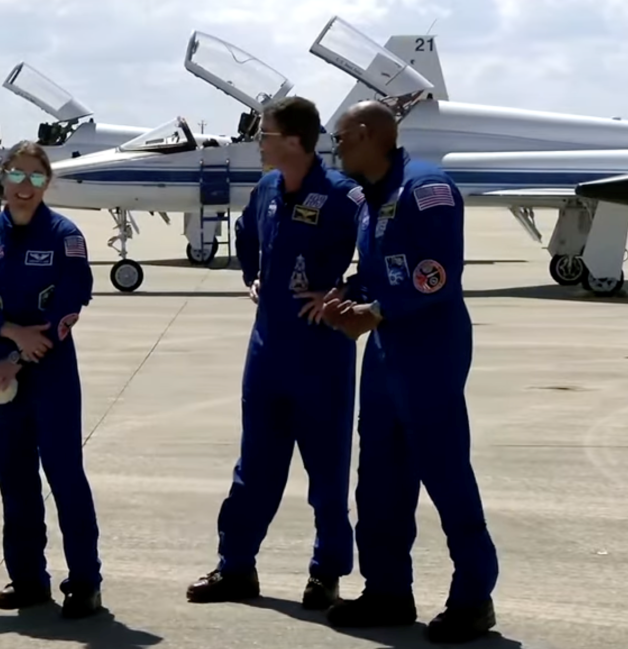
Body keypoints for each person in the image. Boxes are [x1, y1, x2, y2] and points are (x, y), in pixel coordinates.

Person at [301, 100, 499, 644]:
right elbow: (379, 269)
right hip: (387, 349)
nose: (336, 149)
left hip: (429, 348)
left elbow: (437, 273)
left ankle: (473, 598)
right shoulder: (372, 198)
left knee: (444, 470)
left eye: (341, 138)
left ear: (367, 134)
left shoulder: (426, 189)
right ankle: (388, 590)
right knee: (380, 475)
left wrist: (376, 311)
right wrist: (348, 293)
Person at [185, 96, 365, 610]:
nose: (257, 143)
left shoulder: (343, 195)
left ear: (292, 140)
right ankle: (236, 567)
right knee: (254, 468)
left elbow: (382, 246)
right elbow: (246, 236)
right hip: (267, 353)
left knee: (327, 472)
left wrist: (347, 292)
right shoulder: (266, 188)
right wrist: (253, 276)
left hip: (321, 354)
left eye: (263, 135)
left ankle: (326, 573)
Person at [0, 140, 103, 619]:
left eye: (37, 177)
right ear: (3, 178)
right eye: (17, 175)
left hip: (51, 368)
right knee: (14, 476)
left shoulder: (65, 236)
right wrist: (9, 335)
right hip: (0, 360)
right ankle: (27, 578)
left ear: (48, 182)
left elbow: (69, 304)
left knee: (65, 476)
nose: (26, 186)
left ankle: (85, 582)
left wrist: (20, 355)